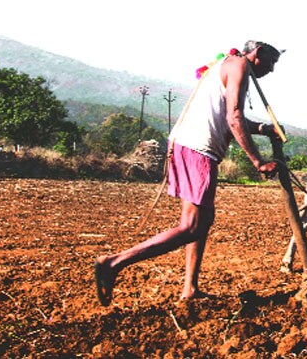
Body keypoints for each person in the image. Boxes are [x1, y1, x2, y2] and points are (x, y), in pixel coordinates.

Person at [94, 40, 284, 305]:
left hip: (185, 145)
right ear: (257, 53)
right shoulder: (239, 65)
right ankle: (114, 263)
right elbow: (234, 118)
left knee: (199, 223)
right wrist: (258, 161)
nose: (272, 70)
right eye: (272, 62)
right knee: (194, 225)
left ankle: (190, 289)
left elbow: (226, 118)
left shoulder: (226, 64)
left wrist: (263, 129)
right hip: (198, 150)